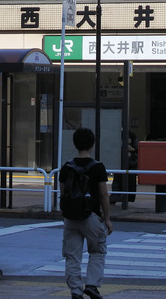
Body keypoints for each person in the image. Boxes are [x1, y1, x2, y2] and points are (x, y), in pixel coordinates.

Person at [61, 127, 112, 299]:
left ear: (75, 144)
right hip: (91, 216)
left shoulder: (66, 167)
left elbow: (63, 194)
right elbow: (104, 195)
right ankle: (91, 285)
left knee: (72, 255)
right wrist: (107, 218)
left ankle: (76, 290)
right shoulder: (98, 167)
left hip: (70, 217)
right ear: (92, 144)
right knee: (97, 251)